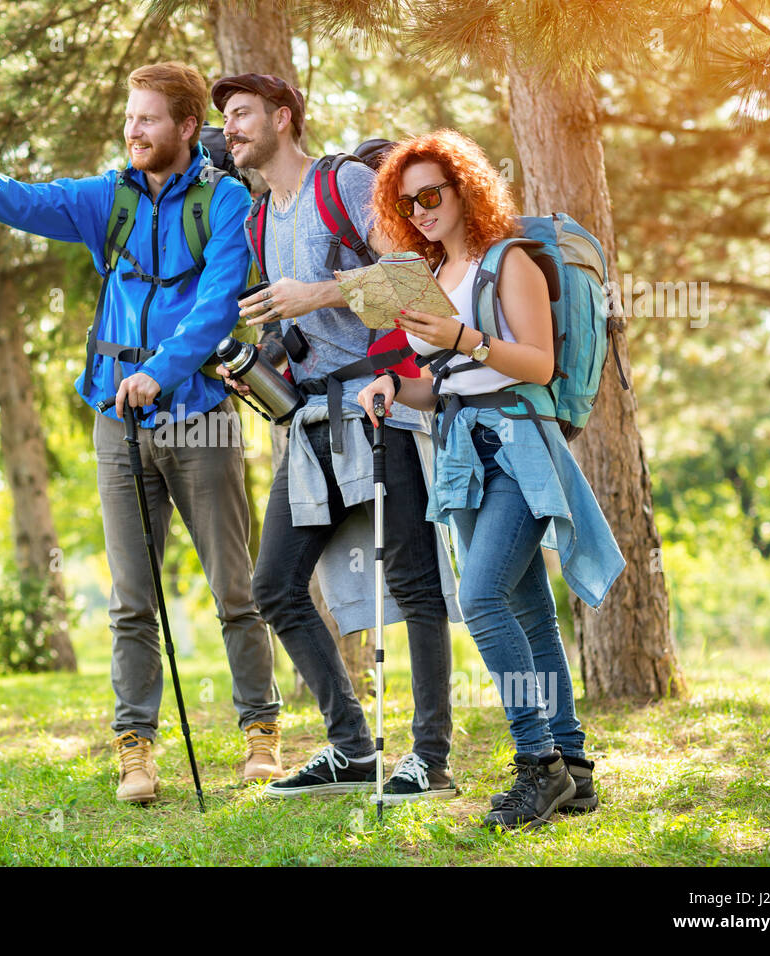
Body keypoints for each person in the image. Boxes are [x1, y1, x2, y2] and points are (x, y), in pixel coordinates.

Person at [0, 62, 283, 806]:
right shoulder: (107, 198)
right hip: (116, 420)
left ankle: (260, 733)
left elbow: (217, 304)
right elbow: (26, 202)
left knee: (235, 587)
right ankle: (135, 750)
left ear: (185, 128)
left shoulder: (226, 202)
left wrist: (161, 372)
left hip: (198, 417)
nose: (132, 130)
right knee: (131, 599)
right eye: (129, 118)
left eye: (148, 119)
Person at [355, 129, 626, 830]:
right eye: (407, 202)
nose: (420, 210)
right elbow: (439, 387)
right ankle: (575, 767)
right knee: (529, 609)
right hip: (460, 450)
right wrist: (391, 384)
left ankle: (537, 766)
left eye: (431, 194)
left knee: (478, 597)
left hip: (518, 446)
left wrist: (463, 338)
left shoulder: (511, 261)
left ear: (464, 189)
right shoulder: (421, 276)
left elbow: (536, 364)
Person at [212, 73, 457, 803]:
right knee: (276, 587)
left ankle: (431, 759)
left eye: (243, 113)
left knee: (416, 585)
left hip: (382, 405)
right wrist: (264, 364)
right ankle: (352, 749)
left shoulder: (345, 182)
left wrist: (316, 291)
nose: (230, 128)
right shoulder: (261, 221)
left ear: (283, 118)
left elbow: (411, 280)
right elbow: (303, 334)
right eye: (225, 118)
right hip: (312, 420)